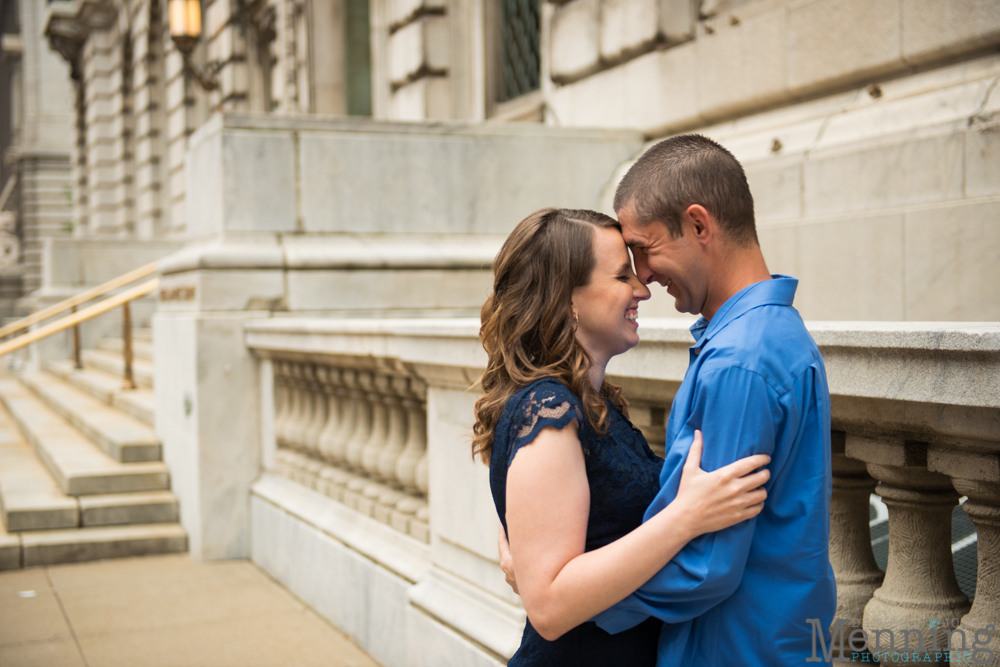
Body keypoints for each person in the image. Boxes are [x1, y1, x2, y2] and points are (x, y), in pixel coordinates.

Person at [473, 207, 772, 666]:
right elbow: (550, 608)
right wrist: (686, 517)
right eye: (621, 276)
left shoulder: (590, 403)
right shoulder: (548, 412)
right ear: (566, 298)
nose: (642, 289)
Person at [586, 134, 837, 664]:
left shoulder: (740, 362)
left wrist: (578, 599)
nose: (644, 279)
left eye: (644, 250)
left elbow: (706, 564)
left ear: (699, 224)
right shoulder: (773, 336)